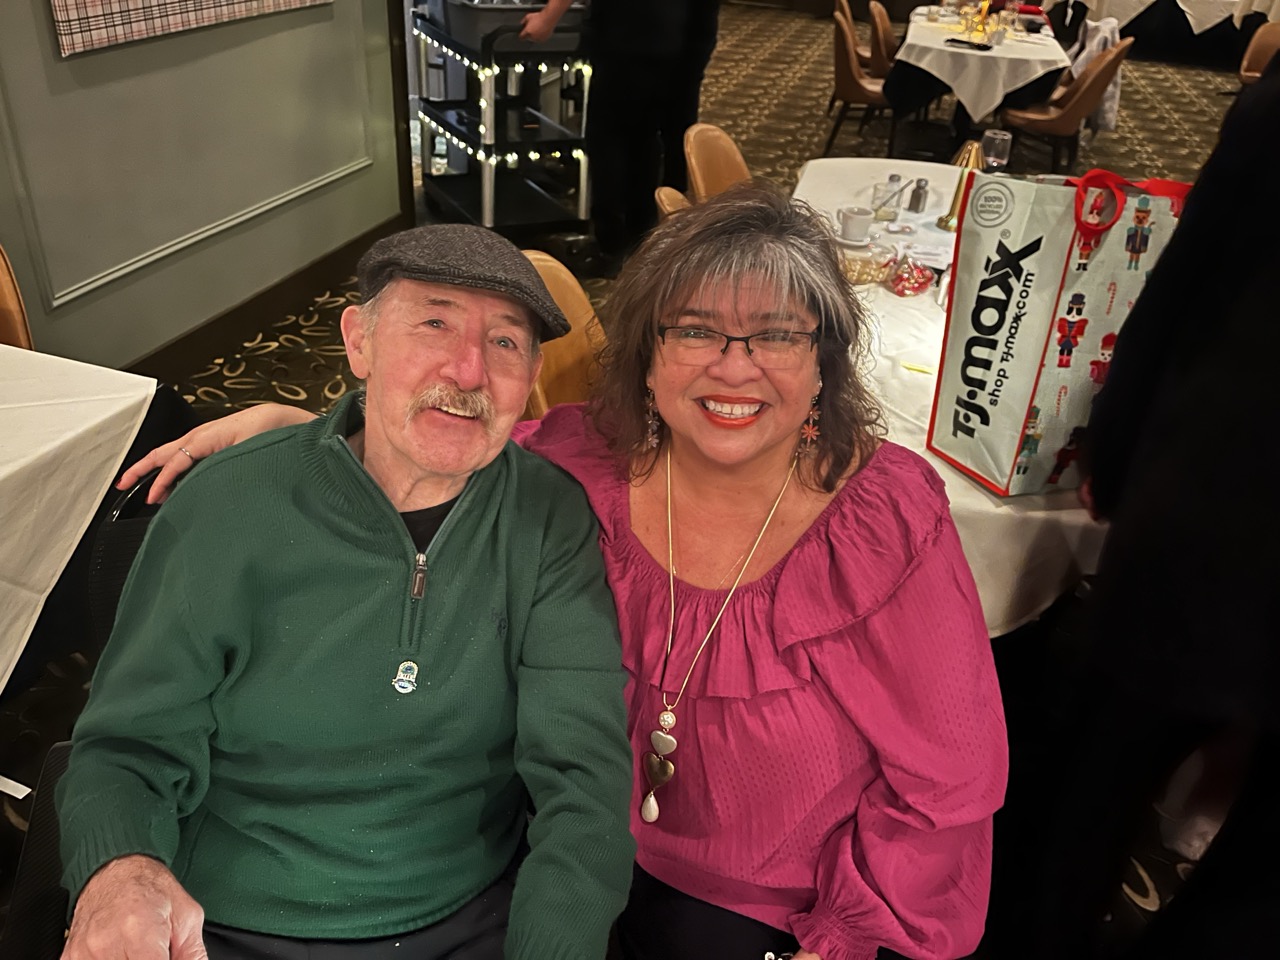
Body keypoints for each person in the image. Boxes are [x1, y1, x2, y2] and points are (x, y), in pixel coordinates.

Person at [123, 182, 1008, 960]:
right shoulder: (584, 463)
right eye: (697, 330)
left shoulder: (882, 521)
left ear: (823, 367)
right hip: (553, 847)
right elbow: (442, 424)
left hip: (772, 907)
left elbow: (949, 788)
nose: (734, 367)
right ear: (649, 358)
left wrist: (846, 936)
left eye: (777, 337)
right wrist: (305, 430)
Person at [55, 224, 635, 960]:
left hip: (466, 917)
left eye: (506, 343)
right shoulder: (229, 503)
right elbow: (128, 745)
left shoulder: (547, 517)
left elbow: (582, 782)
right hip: (224, 919)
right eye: (434, 322)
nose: (468, 370)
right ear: (359, 341)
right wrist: (122, 871)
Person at [1038, 51, 1280, 960]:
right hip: (1219, 500)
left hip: (1219, 504)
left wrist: (1116, 447)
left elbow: (1180, 291)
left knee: (1094, 778)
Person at [519, 0, 721, 270]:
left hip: (633, 30)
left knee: (610, 138)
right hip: (685, 30)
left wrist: (547, 18)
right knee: (647, 136)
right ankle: (643, 239)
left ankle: (610, 247)